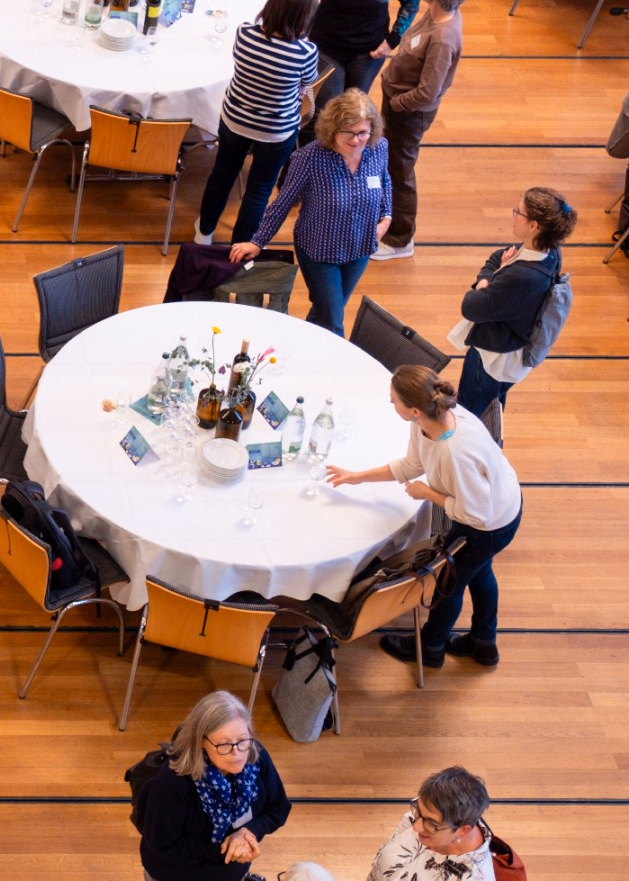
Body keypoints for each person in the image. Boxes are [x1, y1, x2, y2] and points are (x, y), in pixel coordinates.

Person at [328, 365, 522, 670]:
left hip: (490, 523)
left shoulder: (454, 452)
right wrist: (357, 477)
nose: (391, 404)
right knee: (480, 573)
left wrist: (427, 494)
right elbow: (411, 465)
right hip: (500, 502)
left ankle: (431, 647)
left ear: (415, 409)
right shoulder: (428, 420)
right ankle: (485, 643)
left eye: (394, 400)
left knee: (449, 584)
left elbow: (474, 512)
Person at [229, 91, 391, 337]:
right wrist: (257, 241)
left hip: (360, 248)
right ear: (333, 128)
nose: (356, 140)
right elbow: (283, 203)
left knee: (325, 312)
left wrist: (386, 216)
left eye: (362, 132)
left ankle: (304, 343)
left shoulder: (378, 148)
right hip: (319, 251)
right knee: (334, 323)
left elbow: (384, 180)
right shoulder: (310, 158)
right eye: (348, 132)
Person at [195, 0, 320, 245]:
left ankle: (204, 233)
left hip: (235, 119)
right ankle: (240, 246)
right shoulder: (305, 52)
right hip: (276, 131)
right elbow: (307, 83)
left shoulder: (245, 33)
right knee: (259, 190)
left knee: (222, 174)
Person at [372, 0, 471, 261]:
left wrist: (397, 103)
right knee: (391, 163)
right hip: (399, 105)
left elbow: (428, 92)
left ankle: (400, 238)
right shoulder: (435, 14)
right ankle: (383, 218)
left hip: (408, 113)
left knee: (400, 171)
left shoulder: (443, 38)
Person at [450, 187, 578, 418]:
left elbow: (471, 306)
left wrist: (485, 281)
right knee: (492, 410)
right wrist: (493, 274)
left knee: (471, 419)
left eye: (517, 212)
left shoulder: (522, 278)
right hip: (509, 352)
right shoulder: (549, 251)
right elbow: (497, 256)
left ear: (534, 226)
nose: (513, 216)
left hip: (493, 359)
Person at [139, 690, 291, 881]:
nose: (237, 753)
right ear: (201, 741)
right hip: (176, 874)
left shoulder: (255, 756)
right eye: (224, 744)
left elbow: (278, 808)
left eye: (243, 740)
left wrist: (249, 832)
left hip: (231, 870)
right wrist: (227, 848)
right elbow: (163, 845)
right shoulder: (173, 783)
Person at [366, 766, 498, 881]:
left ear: (462, 830)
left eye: (431, 824)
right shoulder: (430, 814)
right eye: (418, 810)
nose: (416, 827)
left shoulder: (473, 876)